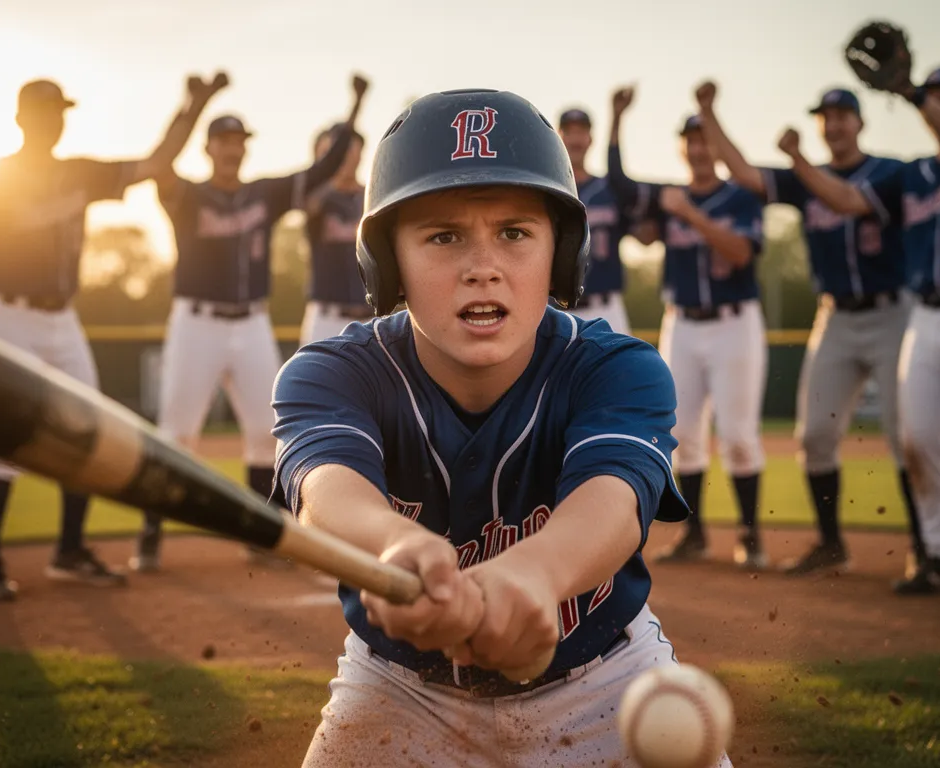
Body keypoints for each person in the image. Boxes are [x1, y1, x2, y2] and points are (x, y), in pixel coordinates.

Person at [272, 88, 733, 767]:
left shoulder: (615, 368)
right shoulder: (335, 373)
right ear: (388, 263)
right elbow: (325, 494)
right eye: (443, 235)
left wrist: (536, 573)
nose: (482, 265)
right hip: (399, 687)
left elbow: (614, 501)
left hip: (606, 682)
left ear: (562, 256)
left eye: (515, 233)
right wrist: (393, 545)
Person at [0, 74, 225, 602]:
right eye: (46, 113)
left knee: (86, 428)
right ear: (22, 120)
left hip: (60, 318)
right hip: (0, 312)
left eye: (61, 113)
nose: (56, 121)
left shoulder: (79, 174)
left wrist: (194, 105)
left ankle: (69, 550)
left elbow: (156, 163)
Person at [773, 65, 940, 606]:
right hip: (925, 313)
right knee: (920, 440)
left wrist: (915, 92)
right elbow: (850, 202)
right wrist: (800, 159)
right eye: (936, 97)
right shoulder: (912, 175)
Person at [129, 74, 369, 573]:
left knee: (267, 431)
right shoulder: (187, 196)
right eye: (224, 141)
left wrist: (355, 106)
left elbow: (324, 166)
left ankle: (263, 535)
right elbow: (161, 163)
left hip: (253, 324)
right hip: (196, 321)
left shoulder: (266, 193)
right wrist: (194, 104)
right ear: (209, 148)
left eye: (239, 142)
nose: (232, 150)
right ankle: (149, 535)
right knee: (177, 434)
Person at [694, 81, 924, 577]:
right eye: (827, 116)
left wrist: (798, 159)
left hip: (893, 312)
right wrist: (709, 113)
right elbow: (744, 173)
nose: (834, 123)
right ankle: (830, 543)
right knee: (815, 433)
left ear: (860, 123)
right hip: (835, 316)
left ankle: (928, 551)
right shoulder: (805, 177)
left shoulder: (888, 172)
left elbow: (844, 199)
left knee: (907, 435)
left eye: (843, 115)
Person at [608, 86, 769, 569]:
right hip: (682, 322)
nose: (698, 149)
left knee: (739, 434)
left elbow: (741, 254)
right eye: (690, 141)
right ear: (682, 148)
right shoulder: (667, 198)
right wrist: (616, 119)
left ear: (715, 148)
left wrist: (690, 214)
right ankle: (695, 534)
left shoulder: (741, 198)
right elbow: (618, 185)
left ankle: (751, 534)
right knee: (684, 433)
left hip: (734, 322)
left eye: (704, 141)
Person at [556, 106, 644, 334]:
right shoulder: (548, 193)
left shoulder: (609, 189)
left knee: (622, 370)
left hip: (606, 308)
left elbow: (644, 235)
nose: (575, 139)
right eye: (569, 132)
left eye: (581, 132)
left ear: (590, 139)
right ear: (558, 137)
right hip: (556, 310)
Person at [299, 122, 371, 347]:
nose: (347, 156)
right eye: (340, 150)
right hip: (326, 318)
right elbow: (307, 203)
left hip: (372, 316)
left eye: (352, 149)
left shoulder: (374, 197)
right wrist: (329, 172)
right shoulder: (316, 199)